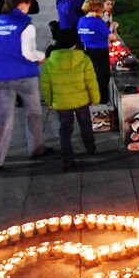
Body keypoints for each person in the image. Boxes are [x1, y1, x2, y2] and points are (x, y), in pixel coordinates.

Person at [0, 0, 50, 170]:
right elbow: (28, 53)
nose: (28, 10)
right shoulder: (25, 24)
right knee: (33, 112)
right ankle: (36, 148)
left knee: (3, 117)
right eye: (27, 6)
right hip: (24, 74)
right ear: (21, 6)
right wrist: (42, 57)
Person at [40, 24, 99, 171]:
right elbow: (91, 82)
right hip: (81, 100)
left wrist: (49, 102)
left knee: (65, 129)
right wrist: (95, 99)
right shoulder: (83, 59)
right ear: (75, 43)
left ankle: (67, 158)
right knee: (85, 124)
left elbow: (46, 85)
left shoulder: (50, 61)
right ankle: (90, 148)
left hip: (61, 102)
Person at [76, 0, 113, 101]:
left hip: (87, 50)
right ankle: (102, 99)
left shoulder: (81, 20)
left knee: (91, 75)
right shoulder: (98, 22)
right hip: (100, 51)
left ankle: (91, 97)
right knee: (103, 76)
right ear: (97, 8)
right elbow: (112, 37)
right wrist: (114, 28)